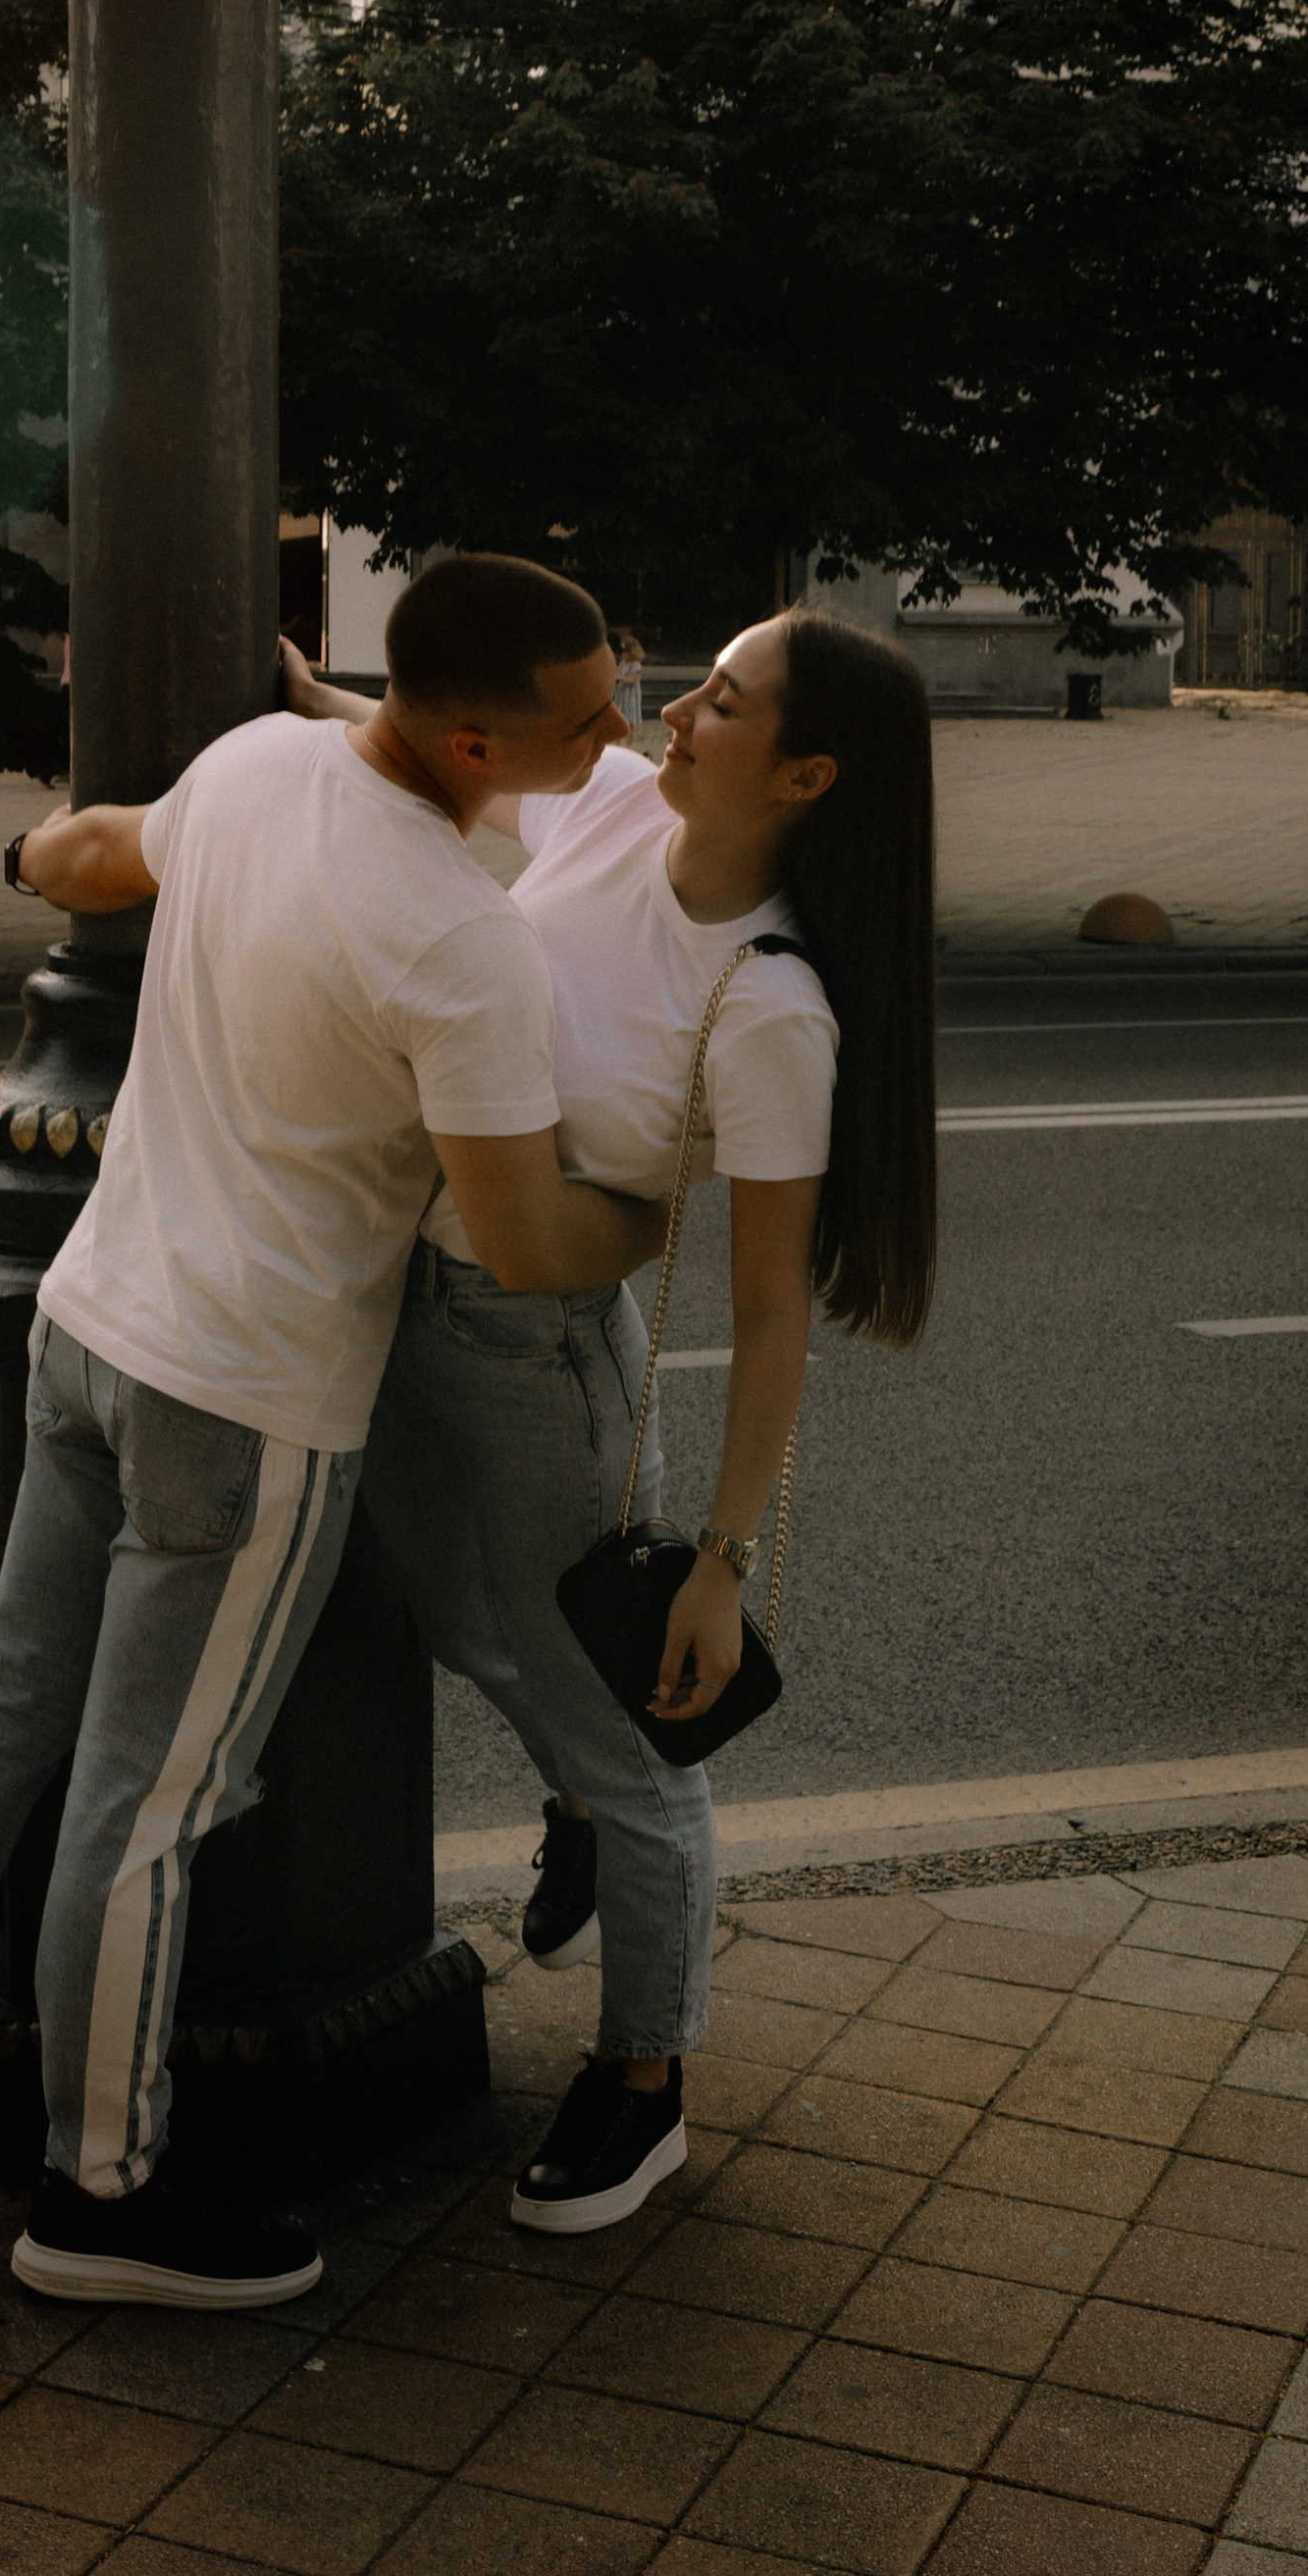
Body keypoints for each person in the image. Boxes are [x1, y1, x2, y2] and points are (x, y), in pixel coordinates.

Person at [0, 554, 679, 2310]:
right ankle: (105, 2194)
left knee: (0, 1706)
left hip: (92, 1328)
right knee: (156, 1799)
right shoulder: (461, 941)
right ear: (474, 741)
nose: (617, 734)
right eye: (588, 716)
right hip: (247, 1401)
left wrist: (24, 854)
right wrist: (660, 1207)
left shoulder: (257, 767)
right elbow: (519, 1237)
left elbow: (91, 854)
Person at [284, 605, 936, 2233]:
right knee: (447, 1612)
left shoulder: (768, 1006)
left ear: (806, 774)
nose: (675, 710)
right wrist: (303, 691)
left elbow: (771, 1310)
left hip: (538, 1357)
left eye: (723, 700)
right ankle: (577, 1805)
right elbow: (445, 754)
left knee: (626, 1738)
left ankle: (644, 2079)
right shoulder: (617, 807)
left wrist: (723, 1563)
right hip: (403, 1301)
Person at [612, 628, 648, 741]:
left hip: (630, 696)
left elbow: (633, 680)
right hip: (621, 695)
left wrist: (621, 678)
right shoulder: (623, 663)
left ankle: (629, 744)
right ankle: (617, 743)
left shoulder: (636, 665)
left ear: (629, 653)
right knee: (618, 721)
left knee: (630, 723)